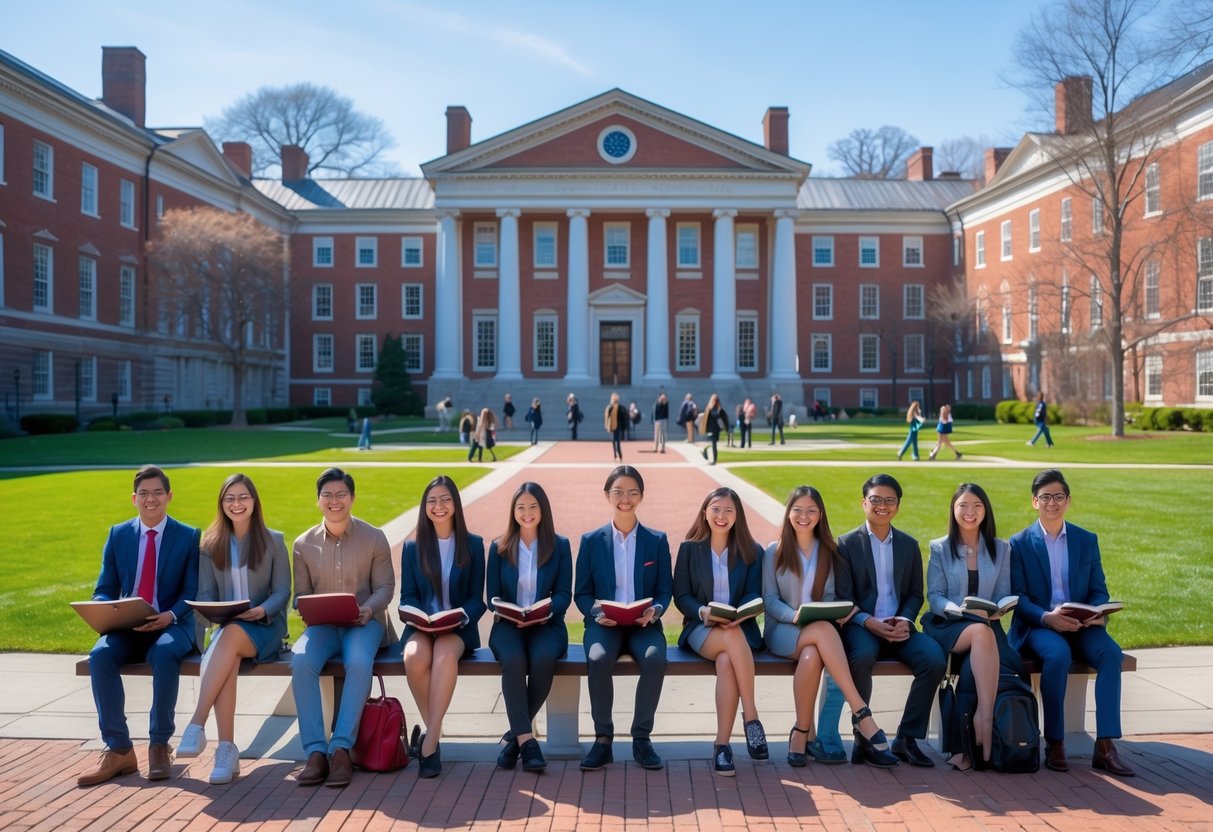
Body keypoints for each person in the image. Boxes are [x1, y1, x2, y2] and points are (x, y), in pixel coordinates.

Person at [78, 466, 200, 788]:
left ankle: (159, 745)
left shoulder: (188, 536)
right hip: (129, 624)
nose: (151, 499)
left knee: (164, 653)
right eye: (144, 493)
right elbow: (105, 587)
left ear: (169, 496)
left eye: (157, 492)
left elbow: (192, 593)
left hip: (171, 624)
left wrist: (169, 616)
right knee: (100, 655)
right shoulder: (118, 534)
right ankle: (119, 750)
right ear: (134, 498)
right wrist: (108, 608)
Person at [763, 486, 898, 768]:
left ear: (820, 515)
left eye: (811, 510)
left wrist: (825, 611)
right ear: (788, 513)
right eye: (797, 509)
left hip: (817, 634)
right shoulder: (774, 551)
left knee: (814, 653)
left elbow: (830, 597)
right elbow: (770, 600)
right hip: (782, 630)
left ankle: (801, 733)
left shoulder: (828, 551)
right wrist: (795, 616)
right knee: (823, 632)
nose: (804, 516)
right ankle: (861, 711)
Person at [1009, 469, 1133, 776]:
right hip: (1039, 625)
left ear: (1068, 500)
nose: (1053, 503)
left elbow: (1097, 588)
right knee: (1058, 655)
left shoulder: (1086, 540)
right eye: (1046, 497)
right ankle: (1054, 742)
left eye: (1059, 496)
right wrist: (1047, 618)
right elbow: (1017, 597)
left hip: (1081, 624)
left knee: (1110, 654)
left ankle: (1105, 745)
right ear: (1034, 501)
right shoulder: (1019, 543)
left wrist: (1096, 613)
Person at [176, 473, 290, 784]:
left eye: (243, 497)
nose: (236, 504)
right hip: (226, 629)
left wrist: (261, 609)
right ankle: (226, 750)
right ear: (222, 504)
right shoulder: (210, 545)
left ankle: (197, 725)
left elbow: (282, 592)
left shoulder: (274, 541)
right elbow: (205, 594)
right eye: (230, 498)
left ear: (254, 502)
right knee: (228, 653)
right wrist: (214, 613)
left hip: (264, 629)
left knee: (229, 639)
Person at [834, 474, 947, 768]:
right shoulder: (845, 544)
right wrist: (868, 621)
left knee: (934, 659)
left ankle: (907, 739)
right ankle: (864, 736)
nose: (882, 506)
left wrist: (906, 621)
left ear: (897, 506)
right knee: (861, 656)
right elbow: (843, 597)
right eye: (875, 499)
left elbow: (914, 594)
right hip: (862, 626)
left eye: (889, 500)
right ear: (863, 503)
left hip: (899, 628)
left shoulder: (909, 545)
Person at [291, 468, 395, 788]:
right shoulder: (302, 544)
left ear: (352, 498)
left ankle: (341, 749)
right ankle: (315, 752)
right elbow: (300, 596)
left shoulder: (374, 537)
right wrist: (305, 606)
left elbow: (386, 587)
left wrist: (368, 609)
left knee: (359, 662)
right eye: (327, 495)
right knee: (300, 660)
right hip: (323, 626)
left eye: (341, 495)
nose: (334, 501)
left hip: (364, 624)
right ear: (318, 500)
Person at [574, 465, 672, 772]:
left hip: (644, 624)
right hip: (606, 624)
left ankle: (641, 738)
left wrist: (655, 610)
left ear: (641, 496)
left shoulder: (656, 540)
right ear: (607, 495)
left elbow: (664, 589)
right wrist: (596, 613)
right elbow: (582, 593)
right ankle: (603, 739)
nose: (625, 499)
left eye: (632, 492)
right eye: (618, 492)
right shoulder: (591, 541)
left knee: (656, 659)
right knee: (598, 658)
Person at [921, 483, 1022, 770]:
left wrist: (1000, 608)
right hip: (949, 624)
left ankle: (967, 749)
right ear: (953, 510)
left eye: (977, 505)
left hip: (988, 624)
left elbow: (1003, 591)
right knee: (979, 632)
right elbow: (935, 597)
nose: (970, 512)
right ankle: (985, 718)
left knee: (971, 667)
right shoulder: (940, 548)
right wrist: (957, 610)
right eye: (963, 505)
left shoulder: (1001, 549)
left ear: (985, 510)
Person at [674, 487, 768, 775]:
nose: (722, 516)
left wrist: (739, 615)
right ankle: (751, 715)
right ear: (705, 512)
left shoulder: (752, 551)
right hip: (701, 628)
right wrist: (703, 611)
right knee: (728, 640)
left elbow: (754, 593)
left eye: (729, 510)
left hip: (739, 630)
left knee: (727, 661)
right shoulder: (690, 548)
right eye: (716, 509)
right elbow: (682, 595)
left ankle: (722, 746)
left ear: (737, 515)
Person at [400, 475, 487, 778]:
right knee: (413, 657)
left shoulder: (474, 545)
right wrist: (419, 617)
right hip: (422, 626)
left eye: (445, 499)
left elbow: (478, 599)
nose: (439, 506)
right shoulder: (413, 548)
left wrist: (461, 616)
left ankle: (428, 744)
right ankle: (433, 733)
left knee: (444, 657)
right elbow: (408, 595)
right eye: (432, 500)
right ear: (425, 507)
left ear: (455, 505)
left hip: (457, 628)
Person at [487, 482, 572, 773]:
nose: (527, 513)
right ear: (513, 511)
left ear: (543, 510)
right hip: (508, 624)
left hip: (546, 623)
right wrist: (511, 612)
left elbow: (563, 595)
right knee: (513, 659)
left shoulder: (559, 546)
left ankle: (515, 739)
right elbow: (492, 597)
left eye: (533, 506)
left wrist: (544, 611)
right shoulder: (498, 547)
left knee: (543, 658)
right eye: (521, 507)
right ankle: (527, 742)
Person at [700, 393, 729, 465]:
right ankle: (707, 456)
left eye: (713, 400)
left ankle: (713, 460)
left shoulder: (716, 409)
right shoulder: (710, 408)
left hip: (714, 429)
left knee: (713, 444)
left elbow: (717, 416)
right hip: (711, 429)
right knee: (710, 444)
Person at [604, 392, 626, 461]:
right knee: (614, 441)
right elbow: (607, 416)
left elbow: (623, 417)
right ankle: (615, 455)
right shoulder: (610, 407)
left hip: (618, 426)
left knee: (617, 441)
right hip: (612, 426)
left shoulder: (620, 407)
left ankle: (619, 455)